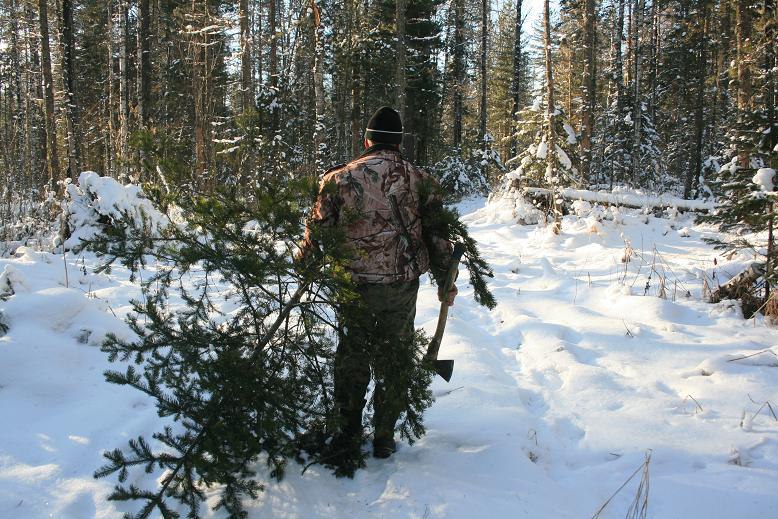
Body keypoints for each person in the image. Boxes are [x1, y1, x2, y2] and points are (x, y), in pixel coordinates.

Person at [297, 106, 457, 466]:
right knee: (394, 356)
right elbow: (437, 236)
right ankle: (384, 436)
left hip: (352, 285)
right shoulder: (422, 180)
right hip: (400, 287)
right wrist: (446, 279)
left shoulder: (338, 179)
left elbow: (316, 232)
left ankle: (348, 432)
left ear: (366, 139)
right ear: (399, 142)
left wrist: (302, 265)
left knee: (352, 355)